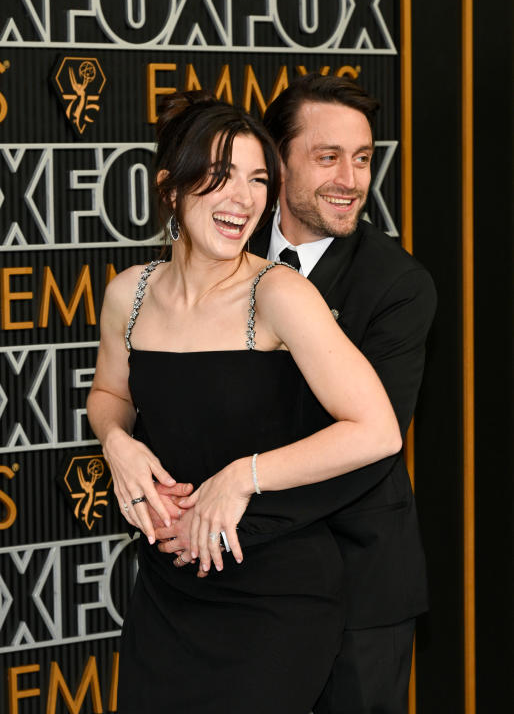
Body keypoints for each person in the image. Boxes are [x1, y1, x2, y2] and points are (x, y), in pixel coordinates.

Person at [87, 90, 402, 713]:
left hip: (274, 595)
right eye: (221, 175)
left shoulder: (279, 294)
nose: (244, 197)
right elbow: (109, 394)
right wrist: (117, 442)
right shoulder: (129, 294)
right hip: (167, 591)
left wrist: (243, 477)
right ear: (171, 188)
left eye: (258, 178)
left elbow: (376, 430)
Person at [153, 75, 437, 714]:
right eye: (328, 156)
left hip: (358, 587)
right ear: (275, 162)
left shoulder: (398, 284)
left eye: (363, 158)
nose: (351, 178)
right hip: (232, 585)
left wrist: (220, 510)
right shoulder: (223, 237)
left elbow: (370, 446)